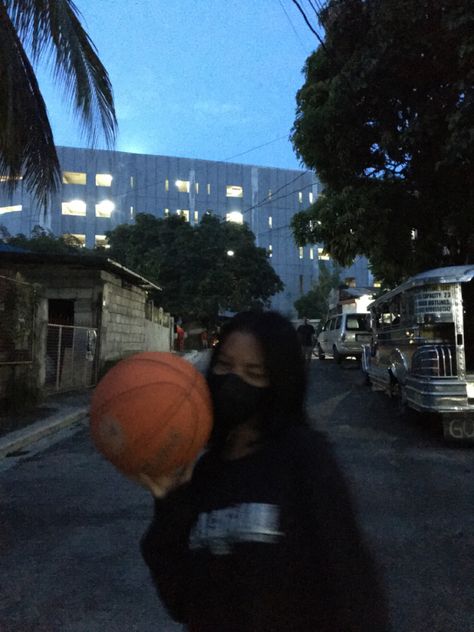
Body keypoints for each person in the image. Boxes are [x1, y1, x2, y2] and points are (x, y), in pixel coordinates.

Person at [139, 310, 390, 631]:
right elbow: (181, 600)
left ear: (278, 382)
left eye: (253, 372)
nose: (233, 381)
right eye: (224, 366)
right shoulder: (203, 473)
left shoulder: (304, 459)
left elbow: (354, 590)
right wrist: (168, 507)